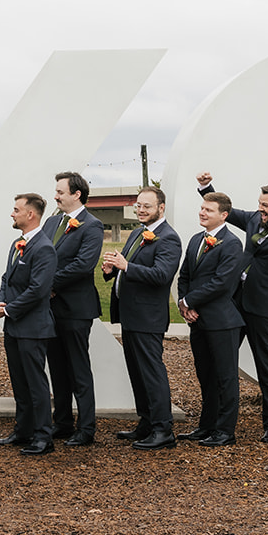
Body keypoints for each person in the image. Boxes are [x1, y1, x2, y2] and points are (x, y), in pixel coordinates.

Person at [196, 173, 268, 443]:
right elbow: (225, 213)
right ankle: (214, 423)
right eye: (259, 203)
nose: (259, 209)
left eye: (265, 205)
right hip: (235, 301)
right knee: (222, 362)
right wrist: (206, 188)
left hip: (265, 307)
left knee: (266, 366)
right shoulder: (255, 219)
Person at [101, 185, 182, 450]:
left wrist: (127, 266)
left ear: (161, 207)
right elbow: (129, 268)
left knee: (151, 372)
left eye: (146, 206)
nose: (141, 210)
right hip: (130, 314)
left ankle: (163, 429)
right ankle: (146, 422)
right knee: (137, 373)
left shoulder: (169, 238)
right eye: (138, 205)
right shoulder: (137, 233)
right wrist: (112, 270)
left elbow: (161, 276)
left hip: (148, 317)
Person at [0, 193, 58, 456]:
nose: (12, 214)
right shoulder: (17, 244)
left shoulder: (44, 248)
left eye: (16, 210)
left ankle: (43, 437)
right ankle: (23, 430)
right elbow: (7, 278)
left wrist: (9, 309)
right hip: (15, 326)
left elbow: (39, 290)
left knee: (36, 383)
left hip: (33, 327)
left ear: (31, 214)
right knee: (19, 381)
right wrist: (0, 302)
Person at [176, 191, 245, 446]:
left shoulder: (231, 243)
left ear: (224, 215)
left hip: (223, 322)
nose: (202, 213)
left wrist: (190, 301)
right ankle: (206, 426)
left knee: (225, 378)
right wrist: (184, 303)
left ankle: (225, 431)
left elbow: (222, 284)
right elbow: (185, 276)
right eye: (202, 208)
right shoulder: (195, 240)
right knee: (205, 376)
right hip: (198, 321)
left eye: (209, 210)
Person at [43, 171, 105, 446]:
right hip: (50, 308)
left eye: (60, 191)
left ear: (76, 194)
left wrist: (49, 284)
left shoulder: (92, 225)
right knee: (56, 367)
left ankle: (87, 428)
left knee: (79, 369)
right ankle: (63, 422)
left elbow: (83, 264)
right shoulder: (51, 222)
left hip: (76, 308)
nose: (55, 196)